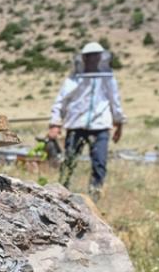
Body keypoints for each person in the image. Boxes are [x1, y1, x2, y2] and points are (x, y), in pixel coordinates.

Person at [46, 42, 126, 197]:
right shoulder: (74, 79)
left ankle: (95, 195)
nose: (93, 59)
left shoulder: (108, 78)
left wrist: (119, 123)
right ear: (83, 58)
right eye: (89, 56)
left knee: (99, 163)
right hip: (76, 125)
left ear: (101, 57)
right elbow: (61, 101)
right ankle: (62, 194)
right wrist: (55, 123)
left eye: (96, 55)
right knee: (69, 162)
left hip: (100, 125)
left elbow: (115, 101)